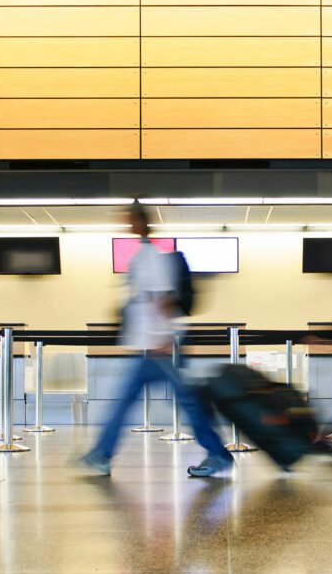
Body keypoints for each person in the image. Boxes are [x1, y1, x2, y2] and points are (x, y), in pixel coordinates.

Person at [79, 200, 233, 477]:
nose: (126, 224)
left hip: (158, 347)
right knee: (136, 400)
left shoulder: (152, 257)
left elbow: (164, 299)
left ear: (141, 221)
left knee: (186, 402)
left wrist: (163, 339)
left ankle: (218, 454)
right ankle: (101, 454)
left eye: (129, 219)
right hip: (147, 346)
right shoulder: (141, 256)